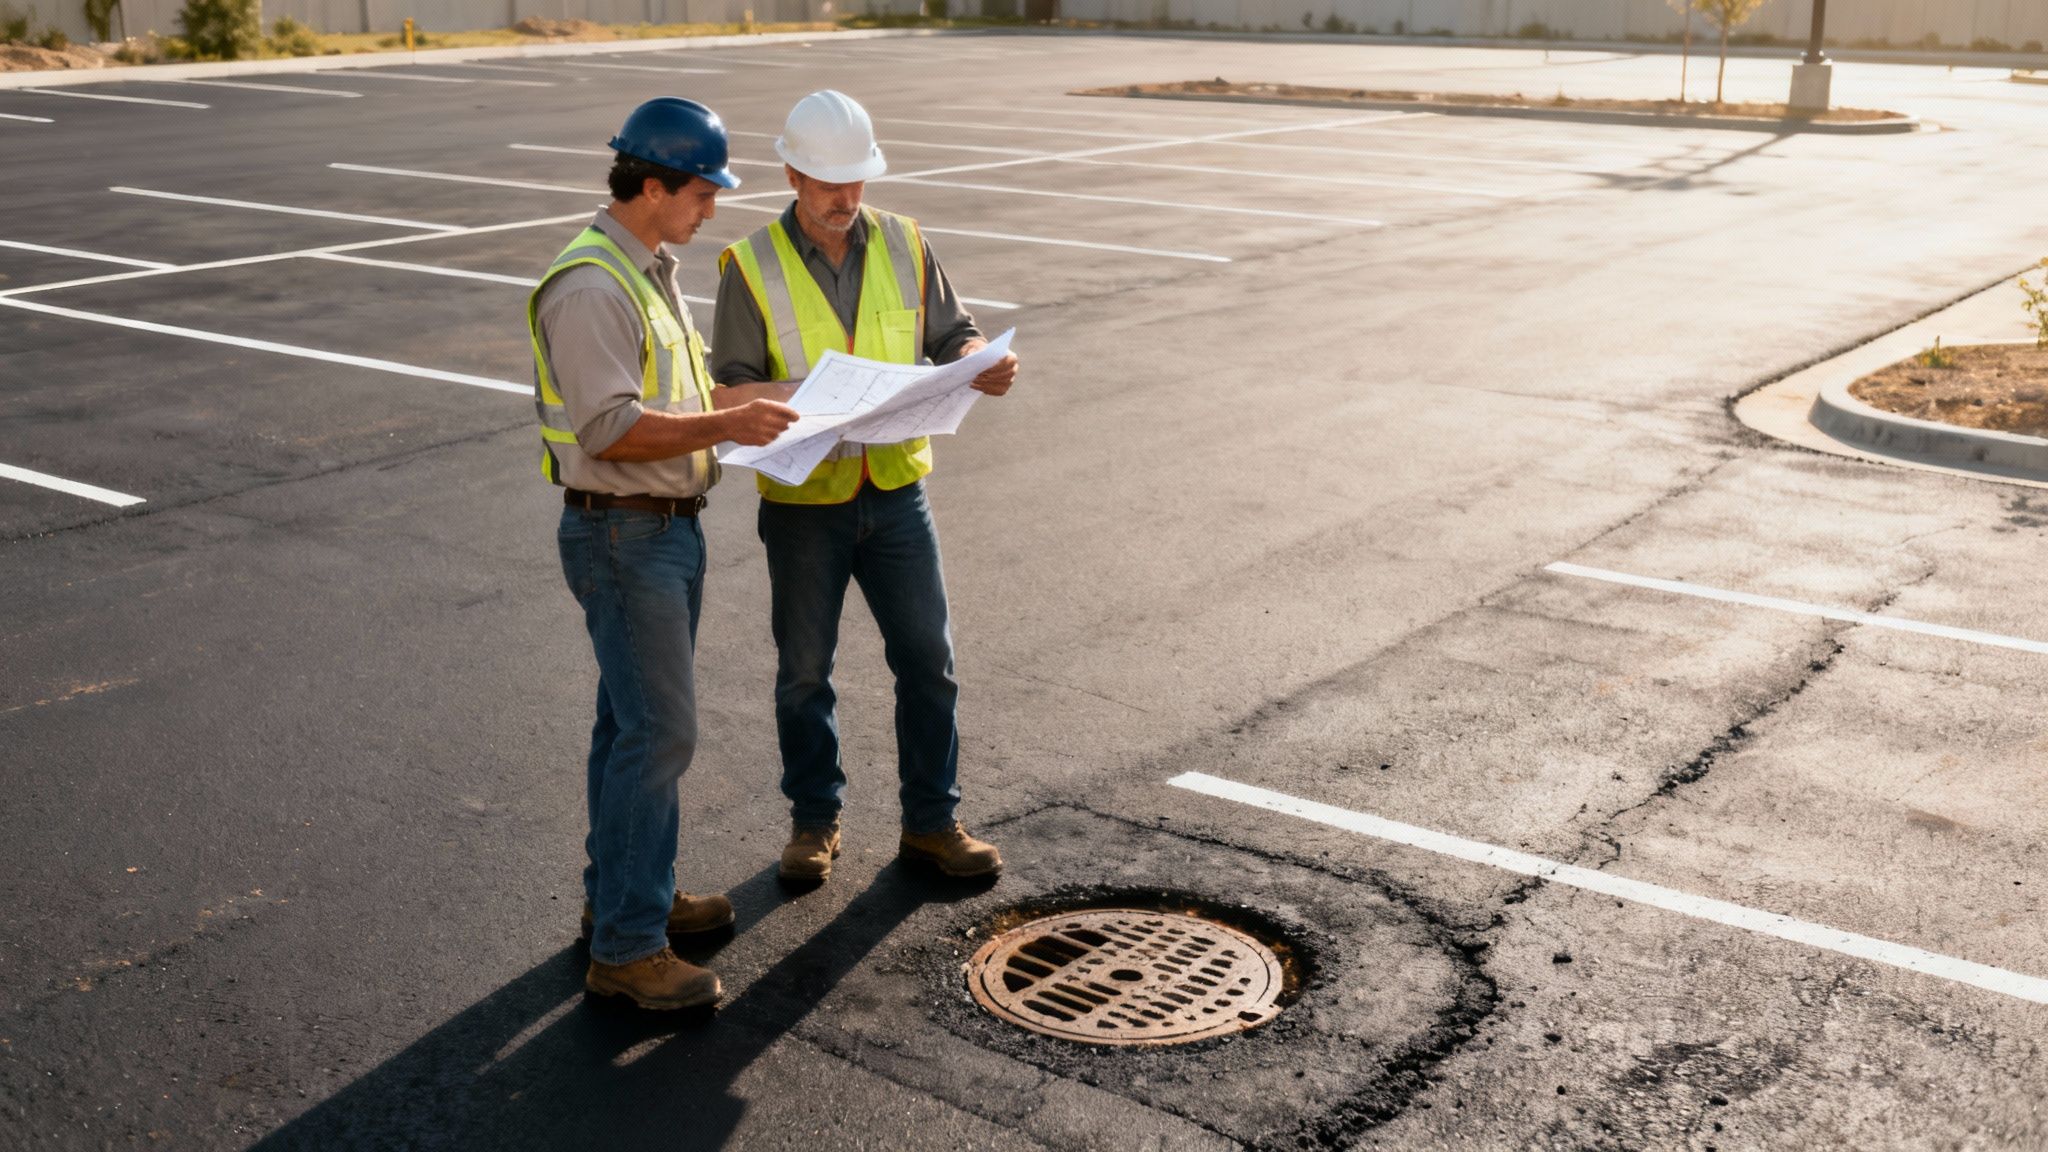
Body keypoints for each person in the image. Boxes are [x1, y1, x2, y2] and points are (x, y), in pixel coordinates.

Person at [711, 89, 1020, 885]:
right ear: (791, 173)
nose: (845, 200)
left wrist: (983, 358)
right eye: (827, 184)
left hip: (895, 492)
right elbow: (729, 391)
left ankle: (932, 823)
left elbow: (953, 332)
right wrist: (803, 398)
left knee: (928, 661)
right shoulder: (749, 265)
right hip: (803, 506)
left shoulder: (906, 242)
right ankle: (815, 822)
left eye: (856, 183)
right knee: (805, 674)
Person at [531, 97, 799, 1010]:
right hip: (623, 533)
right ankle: (629, 949)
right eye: (700, 190)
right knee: (659, 733)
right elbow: (609, 429)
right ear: (651, 186)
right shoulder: (593, 286)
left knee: (630, 729)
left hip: (662, 530)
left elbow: (683, 395)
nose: (711, 207)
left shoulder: (648, 269)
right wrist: (730, 421)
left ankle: (626, 899)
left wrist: (791, 399)